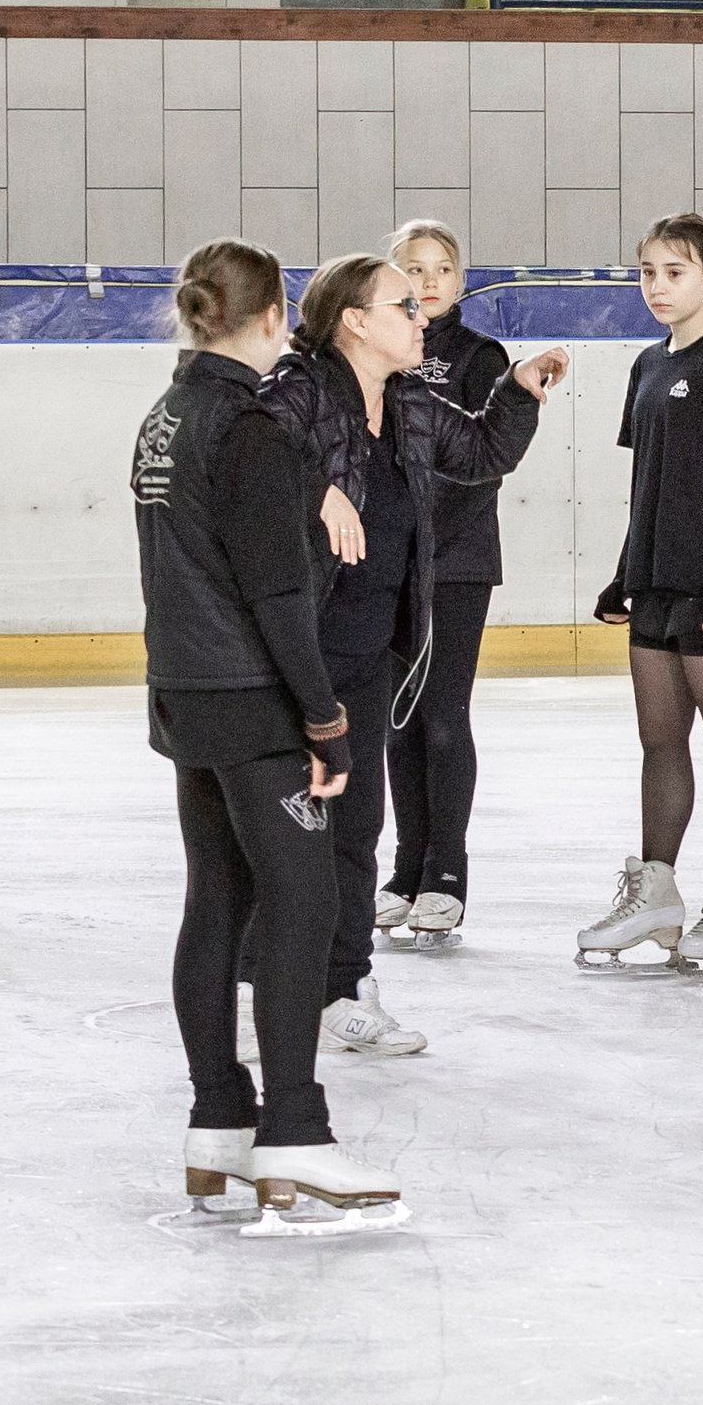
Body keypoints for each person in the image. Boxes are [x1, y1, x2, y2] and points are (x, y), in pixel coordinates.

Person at [137, 238, 406, 1234]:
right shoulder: (247, 425)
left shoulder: (166, 415)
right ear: (272, 314)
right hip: (251, 698)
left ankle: (219, 1119)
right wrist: (325, 718)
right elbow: (276, 587)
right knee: (301, 895)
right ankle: (292, 1126)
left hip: (185, 691)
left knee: (218, 896)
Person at [259, 253, 566, 1051]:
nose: (421, 312)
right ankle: (260, 989)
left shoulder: (412, 399)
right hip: (292, 654)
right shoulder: (295, 390)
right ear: (355, 322)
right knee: (283, 832)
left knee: (356, 830)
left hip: (370, 652)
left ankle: (341, 988)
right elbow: (240, 463)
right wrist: (311, 488)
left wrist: (517, 392)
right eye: (403, 303)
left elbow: (480, 457)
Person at [575, 214, 703, 973]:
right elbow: (648, 485)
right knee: (659, 741)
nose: (659, 286)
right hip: (655, 584)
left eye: (676, 271)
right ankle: (655, 892)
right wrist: (626, 572)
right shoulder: (646, 366)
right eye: (649, 272)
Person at [374, 219, 513, 952]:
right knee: (399, 717)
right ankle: (405, 869)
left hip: (454, 561)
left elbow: (480, 463)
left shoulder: (477, 356)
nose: (428, 282)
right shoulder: (379, 347)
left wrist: (422, 532)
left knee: (443, 714)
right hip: (389, 563)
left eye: (442, 269)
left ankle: (446, 876)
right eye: (412, 269)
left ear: (461, 281)